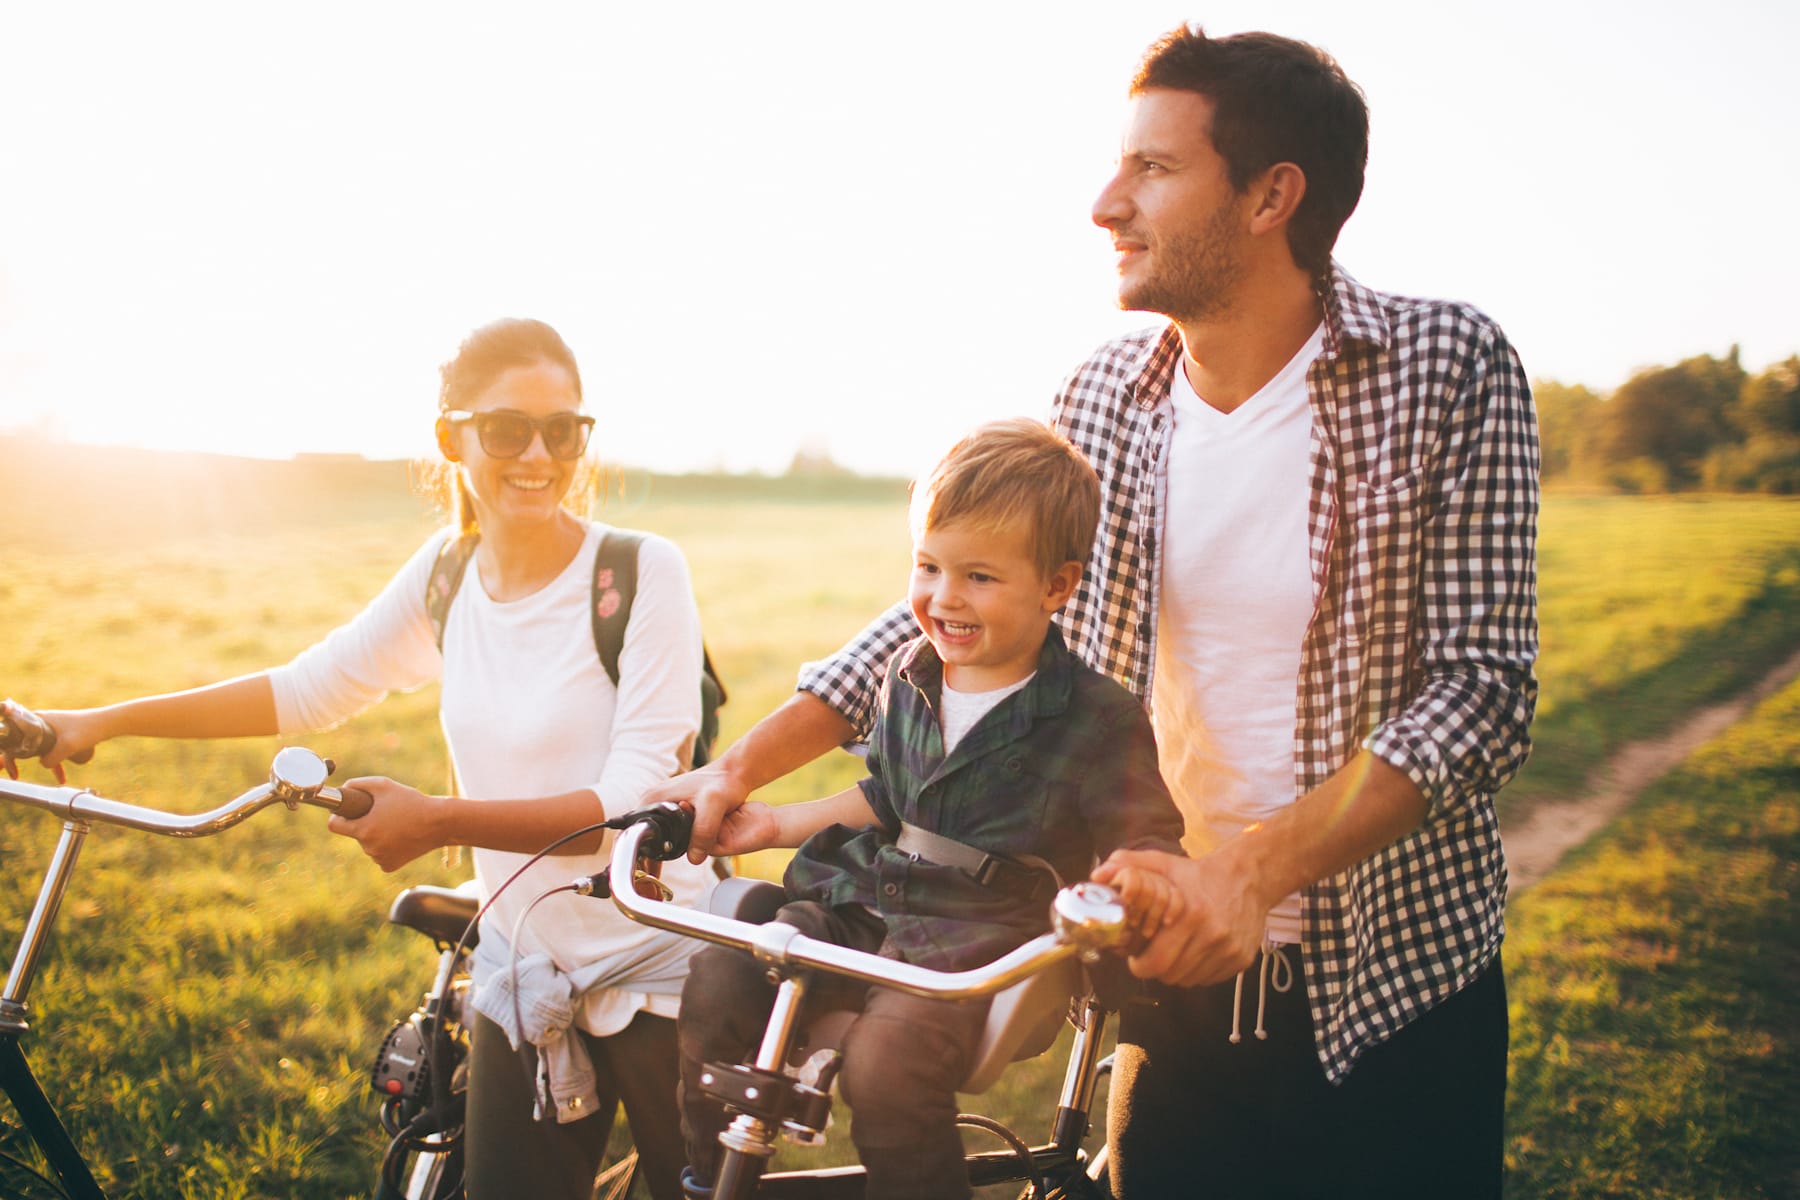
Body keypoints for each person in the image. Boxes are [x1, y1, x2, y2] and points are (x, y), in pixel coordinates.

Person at [651, 25, 1538, 1200]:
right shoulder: (1104, 395)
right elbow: (951, 609)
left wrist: (1254, 875)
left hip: (1393, 987)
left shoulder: (1448, 364)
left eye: (1154, 171)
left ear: (1275, 195)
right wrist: (741, 771)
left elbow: (1479, 693)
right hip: (1156, 972)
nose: (1104, 203)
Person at [11, 318, 712, 1200]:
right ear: (450, 437)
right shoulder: (447, 578)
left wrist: (441, 820)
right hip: (522, 965)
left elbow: (629, 811)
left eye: (562, 430)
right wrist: (99, 720)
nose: (538, 453)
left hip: (662, 960)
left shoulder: (642, 573)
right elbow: (305, 690)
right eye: (506, 429)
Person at [674, 418, 1184, 1200]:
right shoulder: (909, 674)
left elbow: (1146, 844)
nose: (944, 597)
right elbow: (886, 799)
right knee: (720, 973)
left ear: (1057, 586)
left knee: (886, 1067)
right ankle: (708, 1183)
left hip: (976, 944)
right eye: (928, 566)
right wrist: (776, 823)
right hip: (866, 904)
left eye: (979, 577)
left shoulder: (1096, 717)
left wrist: (1131, 887)